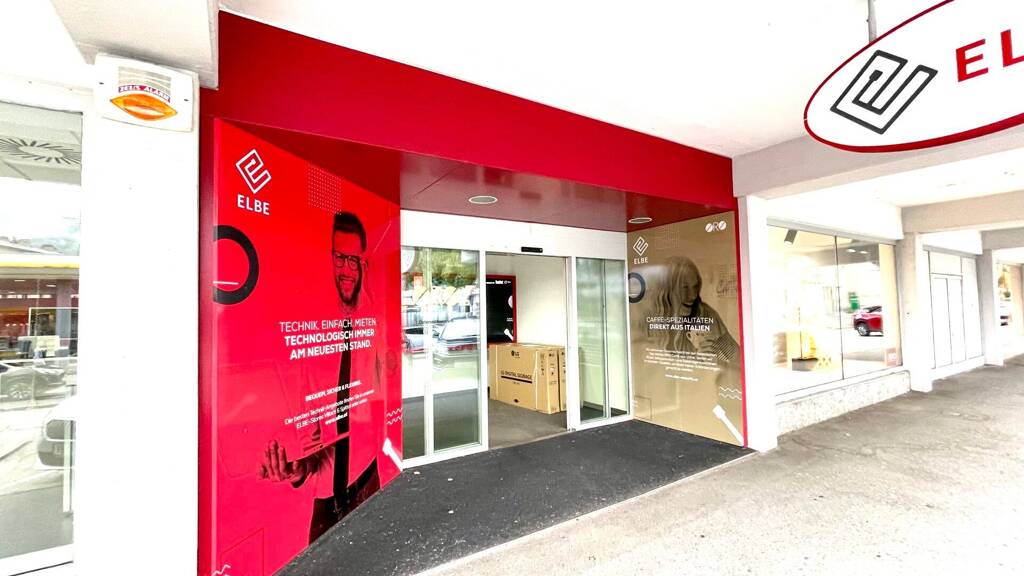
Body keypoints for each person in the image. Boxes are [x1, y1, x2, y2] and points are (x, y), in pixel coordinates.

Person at [259, 211, 383, 543]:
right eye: (340, 258)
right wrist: (297, 469)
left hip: (369, 478)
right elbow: (305, 434)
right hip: (326, 501)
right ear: (327, 260)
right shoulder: (310, 337)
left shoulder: (371, 324)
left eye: (354, 260)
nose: (347, 269)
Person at [649, 256, 739, 364]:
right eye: (685, 287)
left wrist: (712, 361)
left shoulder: (706, 314)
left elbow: (737, 359)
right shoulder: (650, 318)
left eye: (695, 287)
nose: (693, 295)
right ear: (667, 290)